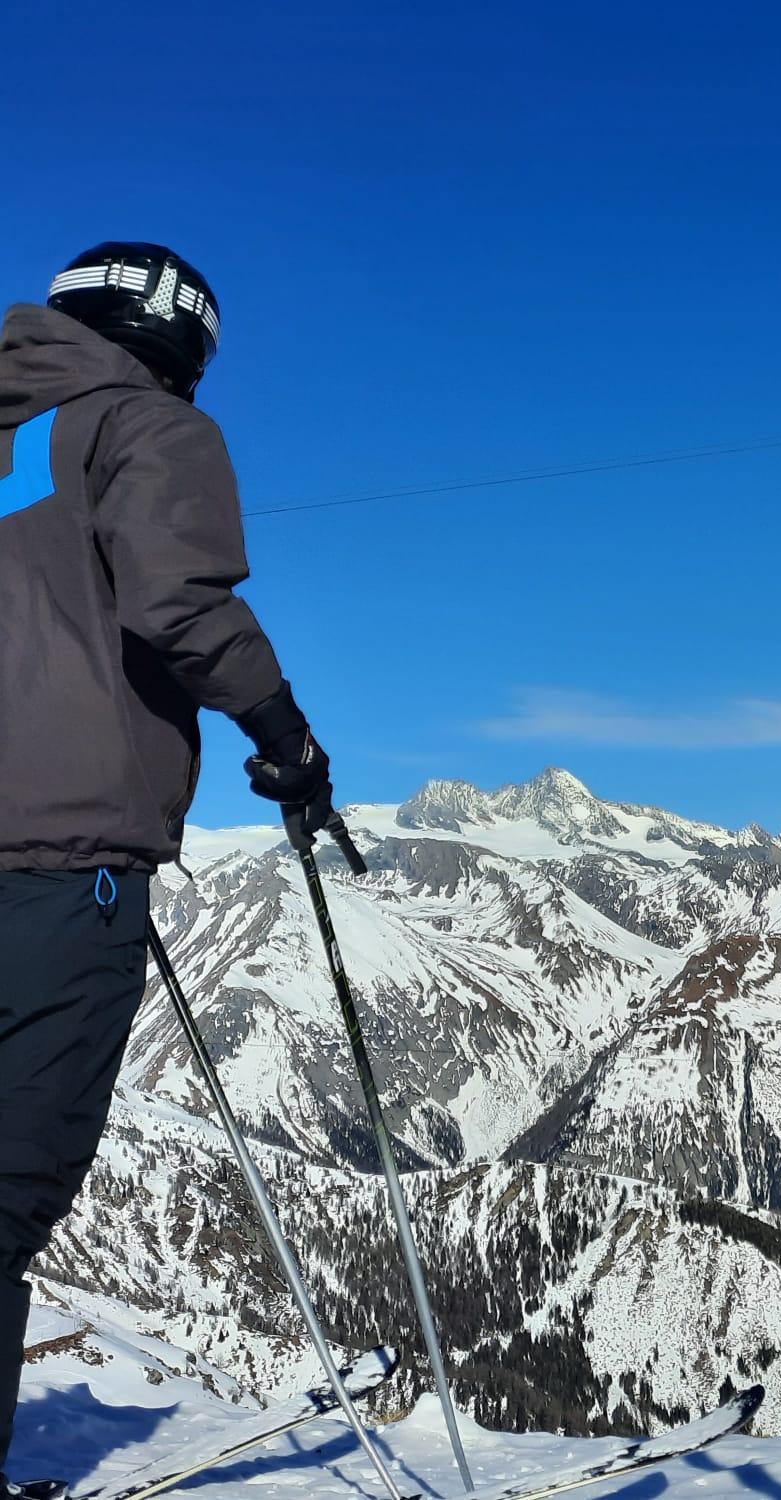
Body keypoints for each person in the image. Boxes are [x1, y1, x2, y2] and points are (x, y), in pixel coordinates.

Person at [0, 244, 334, 1496]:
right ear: (182, 338)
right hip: (62, 862)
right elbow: (176, 604)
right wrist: (286, 738)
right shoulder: (142, 427)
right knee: (7, 1189)